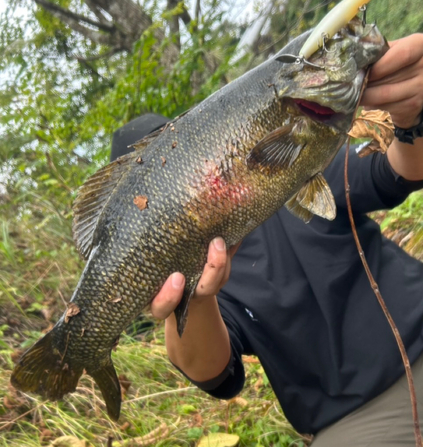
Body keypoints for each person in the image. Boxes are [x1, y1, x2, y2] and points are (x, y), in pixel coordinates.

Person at [113, 34, 423, 445]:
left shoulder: (300, 158)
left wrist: (413, 119)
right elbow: (217, 375)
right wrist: (196, 301)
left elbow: (397, 175)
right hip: (349, 419)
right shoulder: (204, 273)